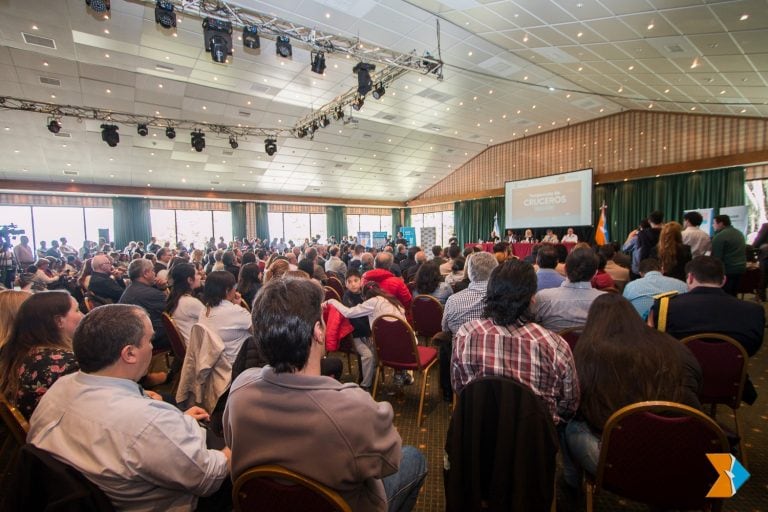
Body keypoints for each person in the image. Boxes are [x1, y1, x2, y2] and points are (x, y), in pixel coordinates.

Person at [223, 277, 426, 512]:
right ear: (319, 331)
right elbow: (390, 461)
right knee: (413, 457)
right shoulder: (353, 407)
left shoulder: (240, 390)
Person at [27, 304, 231, 511]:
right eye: (149, 340)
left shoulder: (59, 388)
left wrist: (179, 421)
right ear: (130, 353)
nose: (152, 347)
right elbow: (210, 477)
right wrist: (242, 443)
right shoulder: (149, 423)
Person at [564, 294, 702, 487]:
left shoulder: (587, 353)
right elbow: (696, 385)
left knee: (570, 424)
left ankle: (572, 485)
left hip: (616, 464)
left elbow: (576, 403)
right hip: (678, 449)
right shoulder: (672, 346)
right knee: (731, 471)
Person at [451, 259, 579, 425]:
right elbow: (569, 406)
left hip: (479, 430)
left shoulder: (465, 335)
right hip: (535, 439)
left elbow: (459, 387)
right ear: (533, 297)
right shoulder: (555, 347)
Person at [0, 291, 82, 419]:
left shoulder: (25, 352)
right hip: (51, 432)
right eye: (77, 310)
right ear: (59, 321)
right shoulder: (67, 364)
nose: (83, 315)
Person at [439, 252, 498, 401]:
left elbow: (444, 328)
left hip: (460, 360)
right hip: (496, 360)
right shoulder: (504, 300)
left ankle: (448, 393)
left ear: (469, 272)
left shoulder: (453, 300)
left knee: (445, 344)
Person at [534, 247, 605, 332]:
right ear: (595, 273)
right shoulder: (607, 301)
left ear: (565, 269)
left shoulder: (542, 298)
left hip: (553, 344)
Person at [197, 271, 252, 365]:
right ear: (227, 290)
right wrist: (237, 307)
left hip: (211, 361)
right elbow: (258, 331)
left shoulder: (204, 309)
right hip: (235, 363)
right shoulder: (236, 312)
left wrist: (235, 305)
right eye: (234, 287)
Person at [342, 269, 376, 390]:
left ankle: (369, 375)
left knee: (376, 353)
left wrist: (371, 333)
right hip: (355, 336)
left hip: (368, 333)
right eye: (349, 282)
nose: (353, 284)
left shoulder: (365, 294)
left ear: (361, 281)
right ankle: (365, 385)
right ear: (346, 284)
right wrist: (369, 333)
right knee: (368, 356)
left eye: (356, 281)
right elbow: (355, 320)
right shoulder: (347, 298)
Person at [622, 258, 688, 319]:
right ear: (662, 270)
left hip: (641, 328)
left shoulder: (630, 286)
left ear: (640, 273)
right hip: (674, 327)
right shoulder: (682, 285)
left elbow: (623, 308)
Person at [165, 262, 204, 345]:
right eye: (197, 274)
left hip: (188, 345)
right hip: (196, 348)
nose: (200, 277)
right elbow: (212, 320)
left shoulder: (175, 298)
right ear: (189, 280)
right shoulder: (190, 302)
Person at [711, 214, 746, 296]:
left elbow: (717, 258)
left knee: (725, 295)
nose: (713, 225)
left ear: (721, 223)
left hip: (727, 270)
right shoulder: (739, 233)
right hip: (740, 269)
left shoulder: (720, 236)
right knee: (734, 294)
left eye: (714, 223)